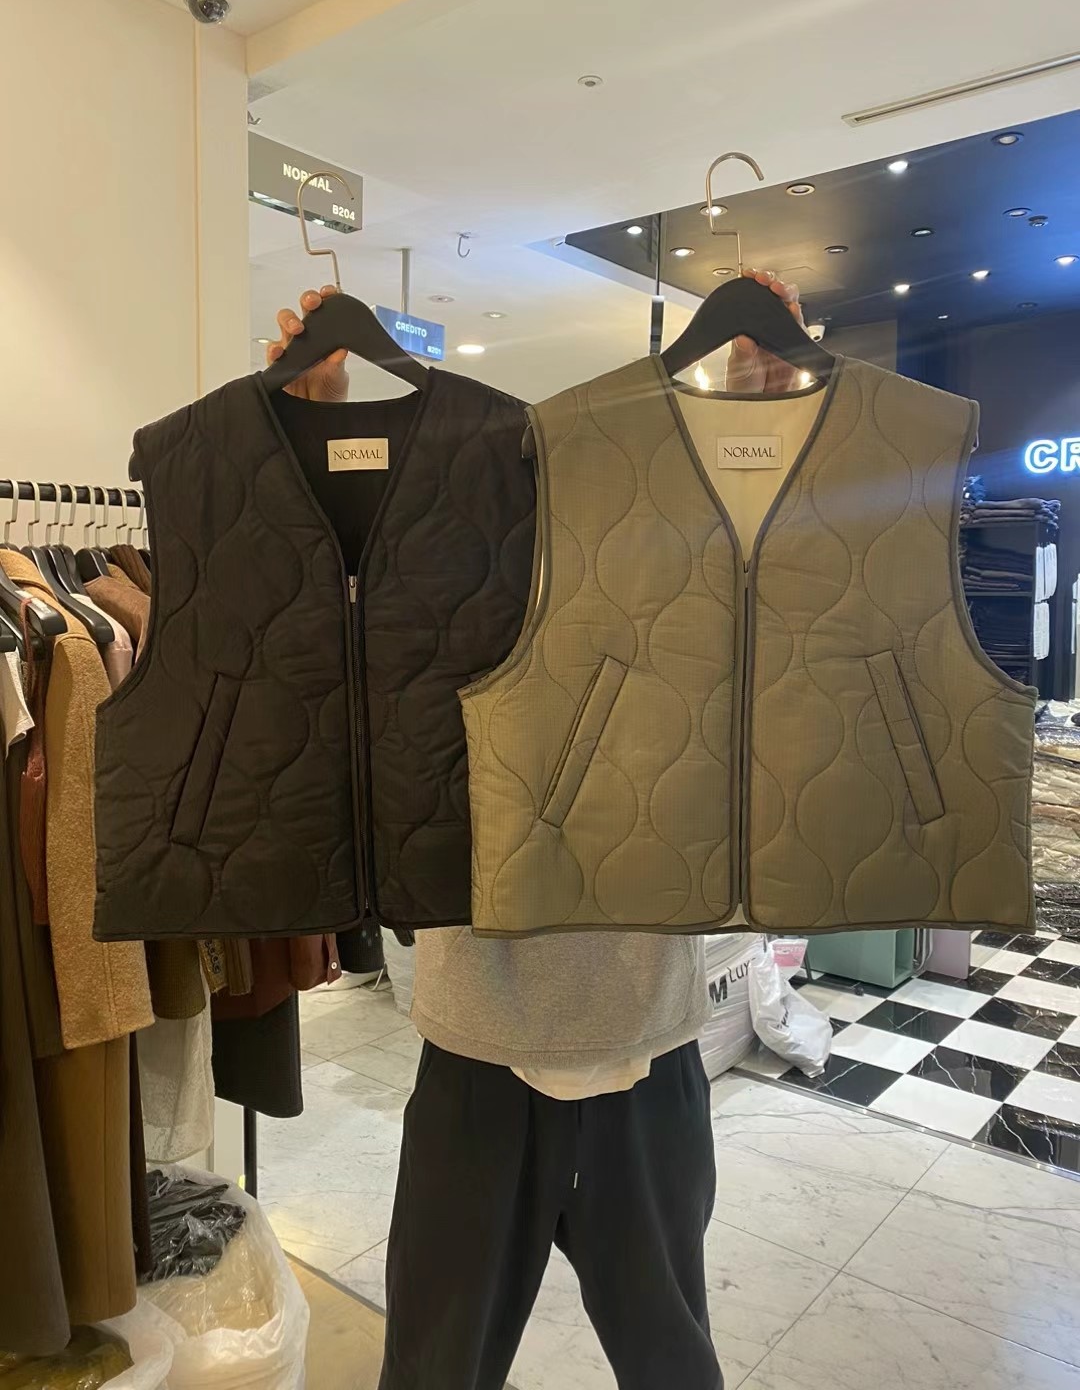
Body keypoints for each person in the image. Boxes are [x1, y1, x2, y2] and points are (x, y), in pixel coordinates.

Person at [267, 270, 806, 1390]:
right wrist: (310, 434)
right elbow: (314, 645)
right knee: (436, 1368)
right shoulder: (427, 593)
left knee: (670, 1364)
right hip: (479, 1051)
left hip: (643, 1048)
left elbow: (791, 620)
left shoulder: (688, 586)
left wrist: (772, 411)